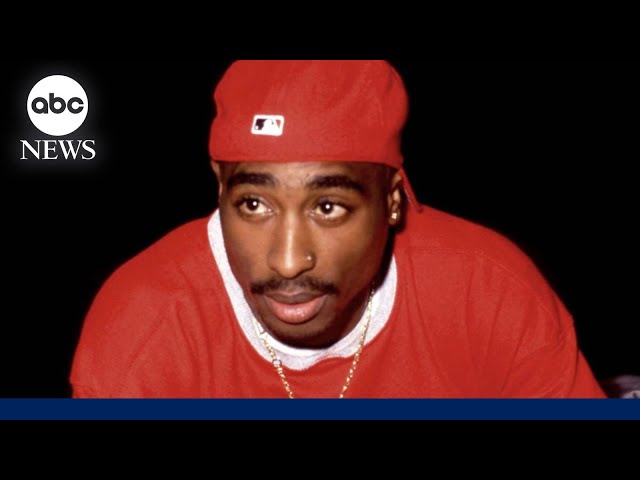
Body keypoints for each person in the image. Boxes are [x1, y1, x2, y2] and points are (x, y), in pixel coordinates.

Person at [70, 60, 606, 398]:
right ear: (219, 188)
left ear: (391, 199)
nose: (286, 261)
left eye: (328, 207)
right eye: (254, 204)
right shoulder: (142, 329)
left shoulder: (489, 293)